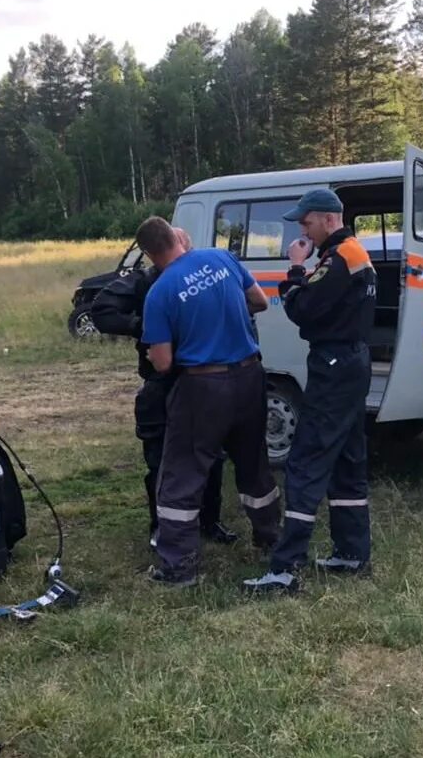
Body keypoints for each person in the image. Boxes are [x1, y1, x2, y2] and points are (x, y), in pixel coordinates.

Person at [135, 216, 282, 587]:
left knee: (181, 473)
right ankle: (271, 540)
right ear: (177, 237)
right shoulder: (222, 258)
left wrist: (159, 352)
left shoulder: (160, 292)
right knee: (254, 464)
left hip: (203, 387)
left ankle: (180, 567)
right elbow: (260, 302)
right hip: (250, 376)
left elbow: (164, 362)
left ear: (151, 254)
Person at [243, 188, 377, 594]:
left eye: (306, 222)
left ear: (328, 219)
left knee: (306, 460)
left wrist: (296, 268)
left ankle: (285, 569)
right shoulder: (355, 253)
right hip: (353, 361)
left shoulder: (338, 259)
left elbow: (300, 309)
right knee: (349, 458)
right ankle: (352, 552)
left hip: (334, 365)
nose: (302, 230)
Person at [89, 228, 237, 549]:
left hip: (202, 379)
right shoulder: (146, 281)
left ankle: (209, 521)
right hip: (163, 383)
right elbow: (101, 309)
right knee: (161, 460)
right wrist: (143, 328)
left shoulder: (204, 274)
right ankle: (161, 527)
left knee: (211, 456)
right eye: (178, 244)